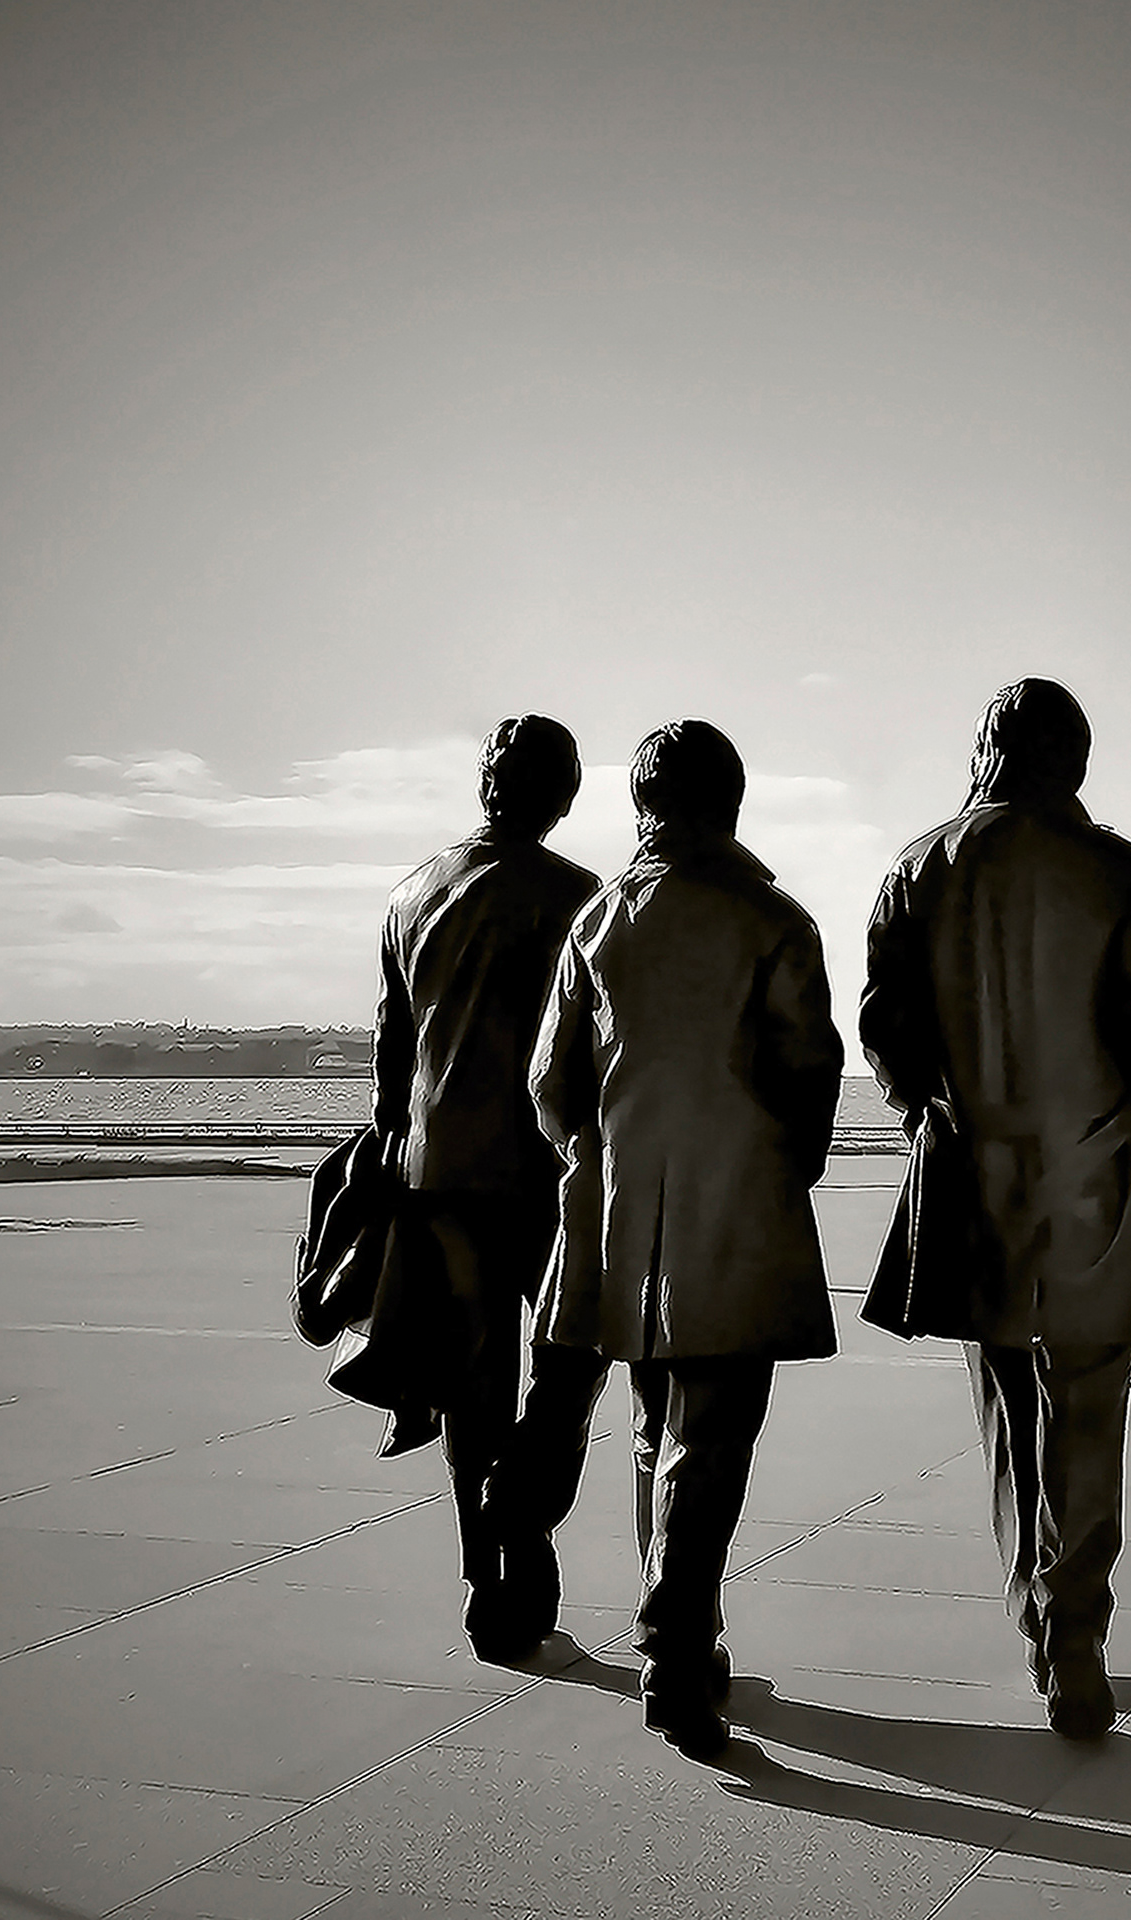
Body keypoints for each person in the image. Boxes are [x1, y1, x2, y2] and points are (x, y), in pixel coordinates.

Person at [860, 678, 1131, 1741]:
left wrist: (930, 1109)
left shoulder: (918, 868)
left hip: (973, 1169)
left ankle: (1038, 1616)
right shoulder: (1125, 871)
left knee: (1011, 1408)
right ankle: (1078, 1631)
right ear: (1077, 756)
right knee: (1091, 1413)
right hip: (1098, 1167)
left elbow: (885, 1026)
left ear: (984, 753)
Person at [529, 719, 843, 1761]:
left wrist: (602, 1159)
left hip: (623, 1218)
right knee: (710, 1438)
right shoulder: (773, 922)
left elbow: (550, 1086)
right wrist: (779, 1167)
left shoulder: (600, 921)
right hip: (732, 1212)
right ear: (734, 804)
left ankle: (685, 1637)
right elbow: (808, 1080)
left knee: (651, 1431)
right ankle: (675, 1652)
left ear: (641, 809)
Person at [369, 715, 600, 1662]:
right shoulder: (581, 899)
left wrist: (404, 1145)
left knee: (473, 1384)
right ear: (562, 796)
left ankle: (485, 1571)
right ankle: (525, 1522)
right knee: (569, 1357)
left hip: (437, 1173)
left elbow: (392, 1060)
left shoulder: (410, 894)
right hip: (544, 1171)